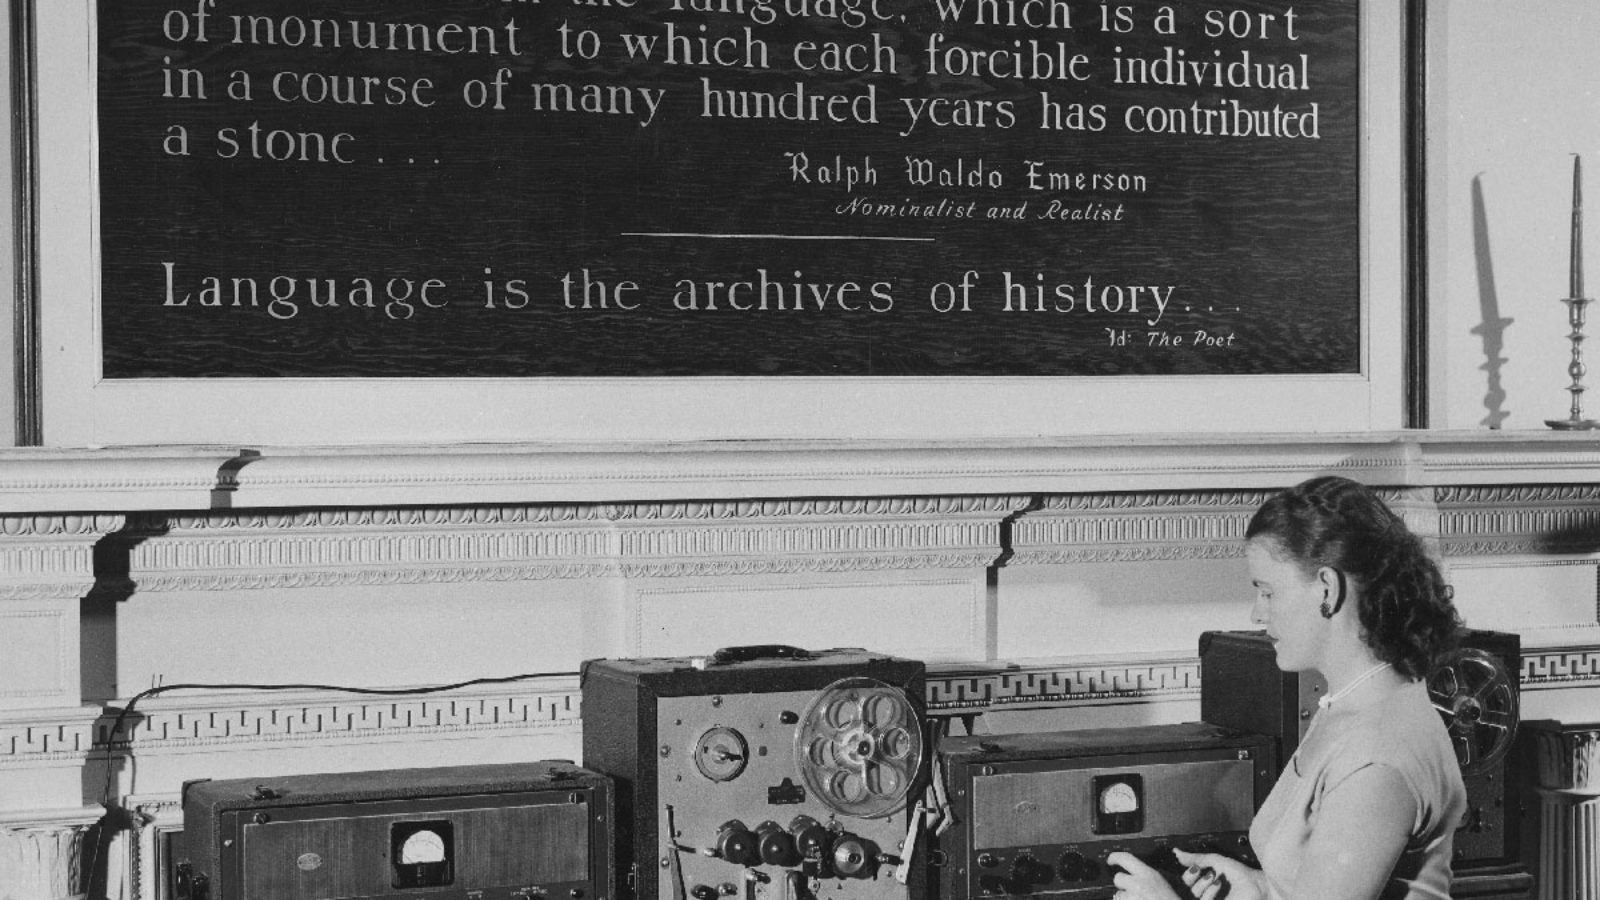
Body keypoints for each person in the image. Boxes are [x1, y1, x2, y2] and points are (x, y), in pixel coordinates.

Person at [1107, 475, 1468, 900]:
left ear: (1328, 590)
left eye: (1268, 592)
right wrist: (1259, 889)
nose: (1256, 613)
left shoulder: (1376, 759)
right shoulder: (1352, 703)